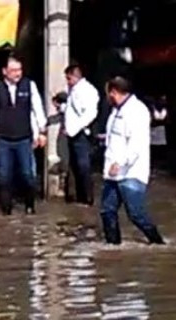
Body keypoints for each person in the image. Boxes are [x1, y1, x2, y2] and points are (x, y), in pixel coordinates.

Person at [100, 76, 165, 245]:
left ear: (114, 92)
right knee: (107, 211)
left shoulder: (137, 111)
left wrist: (120, 163)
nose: (107, 97)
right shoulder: (116, 111)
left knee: (136, 214)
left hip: (131, 172)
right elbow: (117, 136)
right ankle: (113, 246)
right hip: (112, 172)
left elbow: (136, 144)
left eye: (108, 93)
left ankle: (158, 243)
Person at [0, 55, 47, 215]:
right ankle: (6, 209)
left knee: (28, 174)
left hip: (24, 138)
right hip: (3, 139)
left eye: (19, 70)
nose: (17, 73)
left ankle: (30, 205)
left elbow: (38, 109)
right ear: (5, 71)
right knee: (4, 176)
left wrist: (42, 132)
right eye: (14, 70)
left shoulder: (29, 85)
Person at [62, 63, 100, 206]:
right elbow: (73, 110)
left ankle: (87, 198)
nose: (67, 81)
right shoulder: (75, 90)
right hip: (74, 134)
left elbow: (90, 114)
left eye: (68, 78)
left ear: (74, 76)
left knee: (83, 165)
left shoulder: (86, 90)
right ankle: (80, 196)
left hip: (81, 134)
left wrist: (74, 129)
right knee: (75, 165)